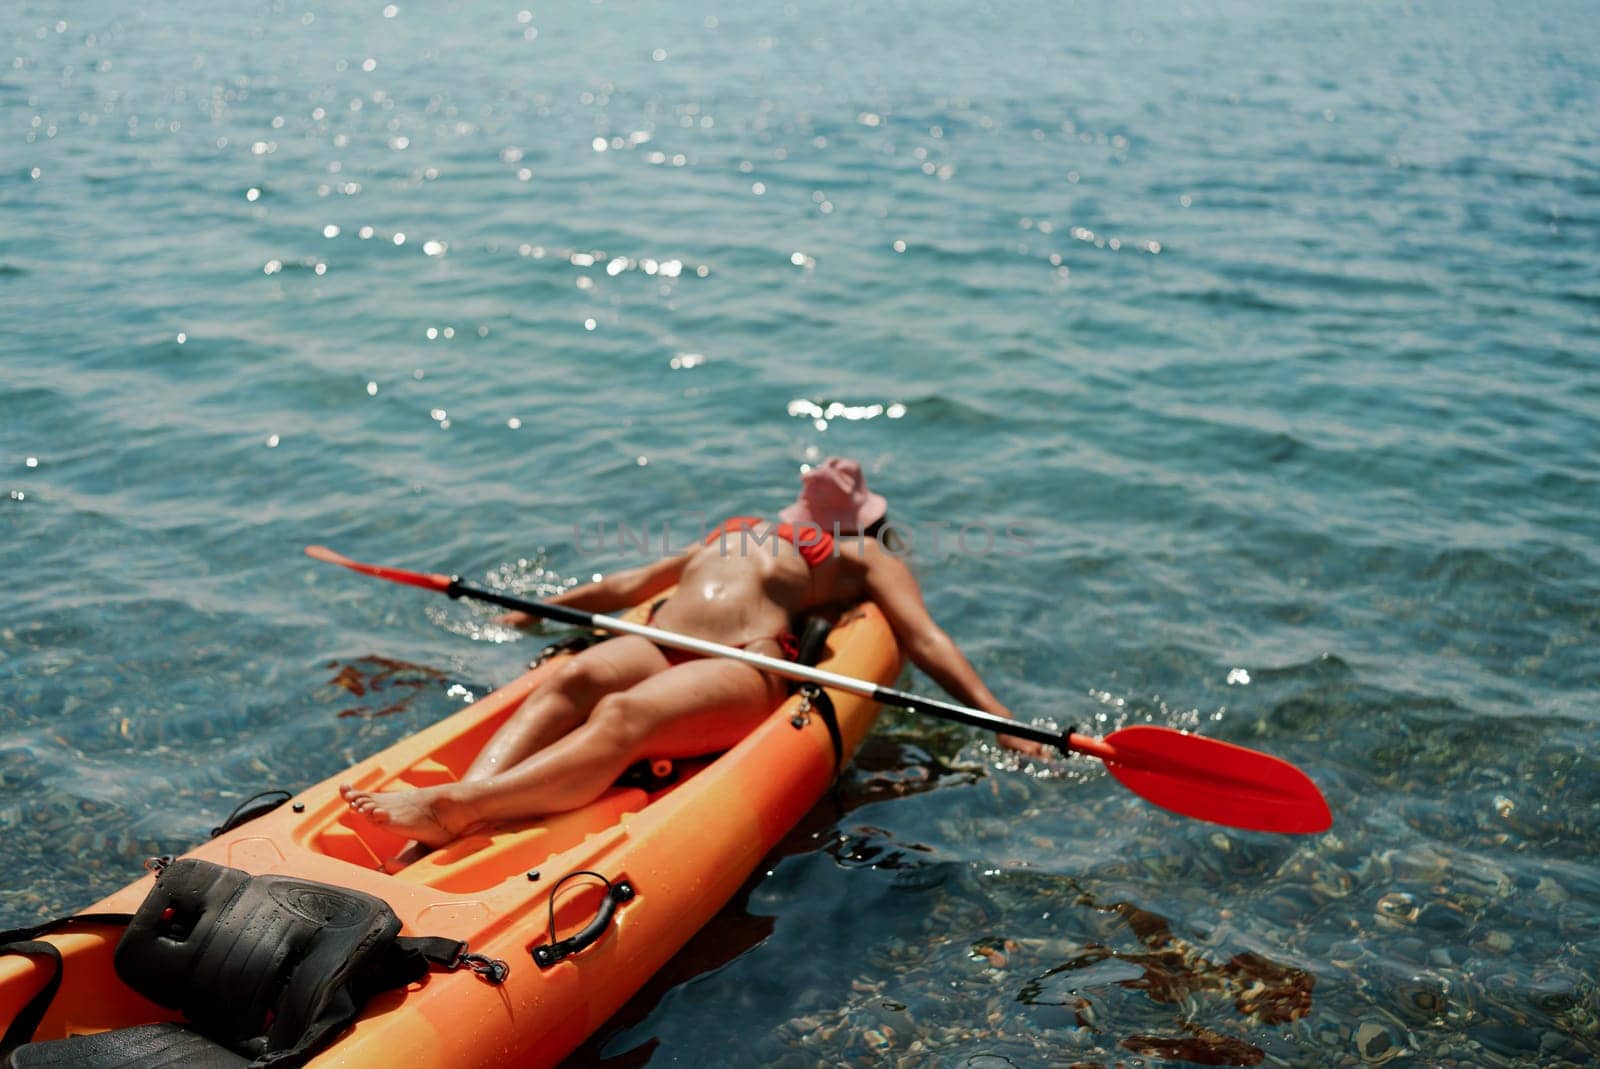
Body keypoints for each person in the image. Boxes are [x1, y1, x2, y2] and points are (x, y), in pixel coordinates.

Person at [341, 457, 1050, 848]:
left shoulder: (860, 556)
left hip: (741, 662)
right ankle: (460, 811)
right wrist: (528, 621)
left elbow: (925, 638)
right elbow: (629, 585)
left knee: (623, 713)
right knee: (575, 676)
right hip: (657, 641)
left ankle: (461, 805)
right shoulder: (738, 527)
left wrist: (1004, 720)